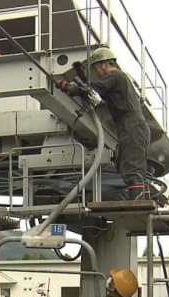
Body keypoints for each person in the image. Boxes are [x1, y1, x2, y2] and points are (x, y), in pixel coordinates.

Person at [58, 47, 152, 200]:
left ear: (104, 64)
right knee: (130, 165)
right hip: (133, 126)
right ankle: (141, 202)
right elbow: (95, 94)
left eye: (96, 69)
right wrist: (83, 79)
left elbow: (92, 89)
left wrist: (68, 87)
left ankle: (138, 206)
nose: (97, 73)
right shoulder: (120, 80)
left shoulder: (115, 76)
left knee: (131, 168)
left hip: (131, 126)